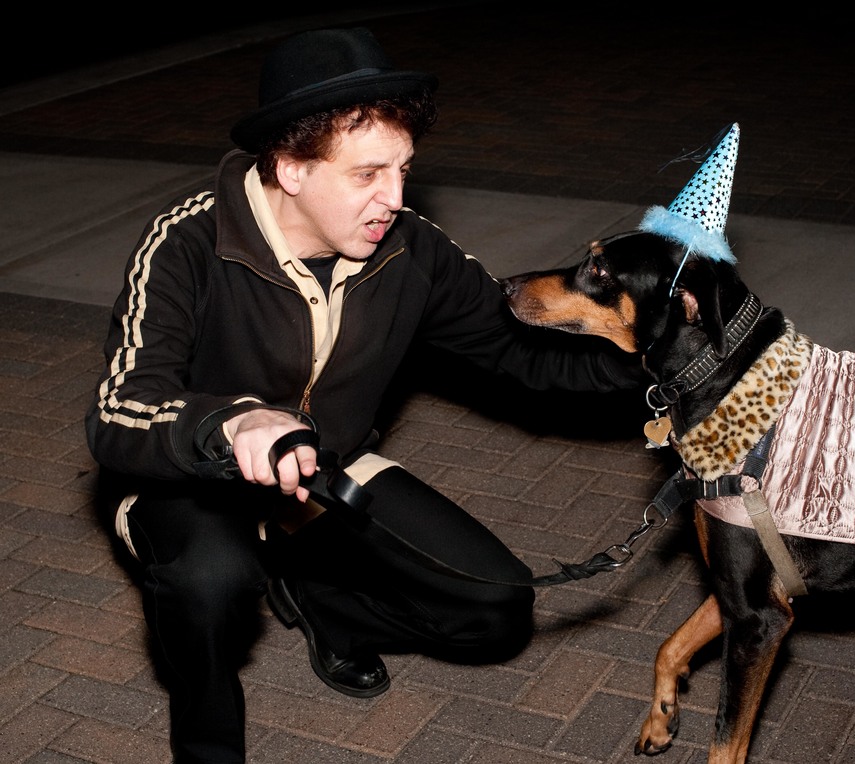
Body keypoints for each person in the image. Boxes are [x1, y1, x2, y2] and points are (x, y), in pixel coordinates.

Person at [85, 26, 641, 764]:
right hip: (193, 480)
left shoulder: (412, 249)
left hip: (325, 474)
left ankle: (328, 609)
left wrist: (657, 363)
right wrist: (233, 423)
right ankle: (207, 741)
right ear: (289, 166)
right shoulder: (186, 244)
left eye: (404, 170)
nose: (395, 199)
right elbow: (120, 407)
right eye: (368, 174)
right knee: (211, 579)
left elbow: (519, 354)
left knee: (497, 609)